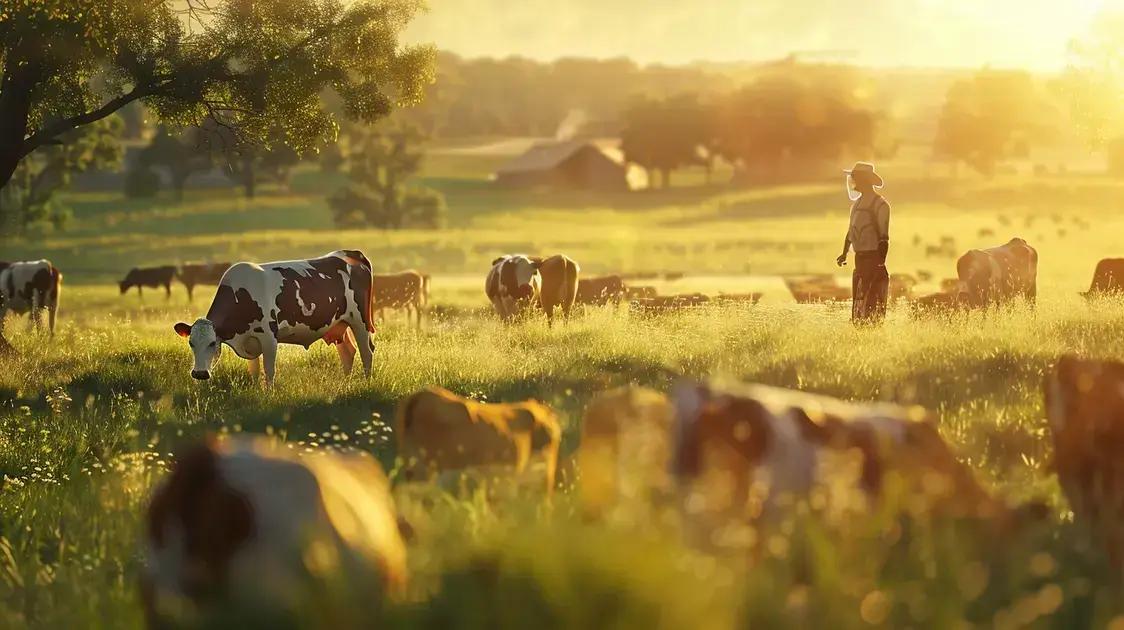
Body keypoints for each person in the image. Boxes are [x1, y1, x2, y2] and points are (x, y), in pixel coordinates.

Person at [836, 162, 890, 324]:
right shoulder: (857, 205)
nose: (853, 181)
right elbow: (851, 231)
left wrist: (880, 263)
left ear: (864, 180)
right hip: (859, 260)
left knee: (872, 302)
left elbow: (883, 238)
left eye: (856, 178)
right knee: (859, 302)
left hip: (873, 259)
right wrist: (844, 252)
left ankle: (871, 334)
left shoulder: (880, 205)